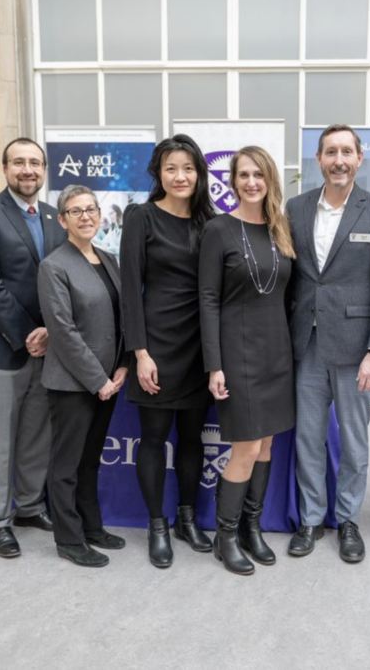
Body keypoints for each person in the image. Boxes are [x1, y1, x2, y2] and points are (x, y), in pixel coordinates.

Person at [286, 124, 370, 563]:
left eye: (346, 152)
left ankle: (348, 519)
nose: (339, 160)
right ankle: (311, 519)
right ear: (318, 159)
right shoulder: (296, 209)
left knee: (354, 442)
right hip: (306, 344)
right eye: (330, 152)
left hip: (357, 350)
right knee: (308, 439)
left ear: (359, 158)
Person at [0, 137, 68, 559]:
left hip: (47, 348)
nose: (28, 170)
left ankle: (28, 506)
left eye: (35, 163)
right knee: (0, 440)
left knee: (37, 434)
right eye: (19, 162)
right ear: (5, 168)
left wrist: (52, 333)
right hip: (1, 347)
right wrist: (31, 333)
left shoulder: (54, 216)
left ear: (44, 170)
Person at [199, 146, 296, 575]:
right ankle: (225, 536)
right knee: (247, 446)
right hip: (237, 353)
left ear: (269, 179)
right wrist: (214, 364)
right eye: (244, 175)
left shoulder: (281, 229)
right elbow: (208, 299)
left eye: (259, 174)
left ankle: (251, 528)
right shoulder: (218, 229)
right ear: (232, 182)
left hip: (277, 352)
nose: (252, 182)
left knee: (267, 443)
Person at [120, 134, 216, 568]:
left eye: (188, 168)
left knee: (193, 438)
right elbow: (130, 290)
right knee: (155, 438)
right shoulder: (141, 217)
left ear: (199, 174)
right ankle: (157, 525)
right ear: (158, 173)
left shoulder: (210, 222)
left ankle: (187, 519)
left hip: (199, 345)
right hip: (156, 345)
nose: (180, 176)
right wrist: (140, 353)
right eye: (171, 168)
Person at [37, 185, 129, 568]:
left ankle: (92, 527)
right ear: (63, 220)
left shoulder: (109, 259)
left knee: (90, 460)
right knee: (66, 466)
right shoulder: (54, 266)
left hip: (109, 379)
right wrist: (98, 380)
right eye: (76, 211)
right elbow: (62, 331)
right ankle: (69, 539)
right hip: (73, 383)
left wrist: (122, 366)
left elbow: (122, 318)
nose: (86, 216)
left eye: (91, 209)